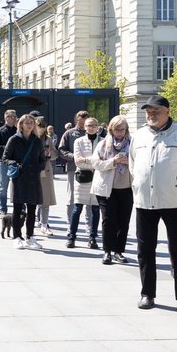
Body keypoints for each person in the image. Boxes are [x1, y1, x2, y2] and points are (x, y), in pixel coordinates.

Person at [129, 95, 177, 314]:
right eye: (148, 111)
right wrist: (138, 185)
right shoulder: (139, 135)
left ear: (168, 112)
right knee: (145, 250)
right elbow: (133, 164)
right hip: (145, 202)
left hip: (174, 202)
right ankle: (147, 294)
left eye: (156, 111)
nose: (151, 115)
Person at [91, 115, 133, 265]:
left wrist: (129, 161)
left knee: (124, 221)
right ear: (111, 129)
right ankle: (107, 251)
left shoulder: (133, 144)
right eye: (117, 130)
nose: (120, 132)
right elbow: (95, 163)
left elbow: (142, 163)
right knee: (108, 220)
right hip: (106, 188)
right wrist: (113, 161)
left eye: (123, 129)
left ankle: (119, 251)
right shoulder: (103, 144)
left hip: (127, 187)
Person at [4, 114, 46, 248]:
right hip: (19, 178)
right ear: (21, 124)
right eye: (26, 123)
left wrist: (40, 167)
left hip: (33, 178)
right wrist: (15, 164)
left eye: (31, 123)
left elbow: (42, 158)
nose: (29, 125)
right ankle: (17, 237)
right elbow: (5, 157)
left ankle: (30, 237)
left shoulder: (37, 140)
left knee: (32, 210)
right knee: (17, 209)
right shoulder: (14, 139)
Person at [68, 117, 102, 250]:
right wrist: (94, 161)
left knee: (95, 210)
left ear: (97, 127)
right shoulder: (79, 141)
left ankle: (93, 238)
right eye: (88, 125)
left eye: (93, 125)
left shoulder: (103, 141)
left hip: (98, 178)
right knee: (77, 209)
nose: (91, 127)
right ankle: (72, 237)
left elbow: (103, 160)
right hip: (82, 178)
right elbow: (78, 161)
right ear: (85, 127)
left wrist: (88, 160)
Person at [60, 110, 92, 223]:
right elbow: (62, 149)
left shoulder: (94, 134)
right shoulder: (69, 133)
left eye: (85, 122)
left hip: (91, 169)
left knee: (91, 197)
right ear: (76, 121)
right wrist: (74, 156)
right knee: (72, 196)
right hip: (73, 168)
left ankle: (90, 224)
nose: (83, 125)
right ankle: (71, 223)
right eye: (80, 122)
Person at [34, 117, 59, 234]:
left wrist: (49, 154)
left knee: (45, 198)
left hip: (45, 169)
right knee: (32, 198)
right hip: (32, 170)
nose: (41, 128)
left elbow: (55, 153)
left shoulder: (48, 139)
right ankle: (33, 219)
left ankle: (44, 224)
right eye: (39, 125)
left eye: (43, 126)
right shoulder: (30, 137)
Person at [0, 110, 18, 214]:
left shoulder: (18, 131)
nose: (13, 119)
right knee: (3, 186)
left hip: (16, 161)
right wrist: (7, 148)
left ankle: (19, 208)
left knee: (18, 185)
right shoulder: (0, 131)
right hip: (3, 162)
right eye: (11, 117)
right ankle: (3, 208)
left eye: (15, 117)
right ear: (6, 118)